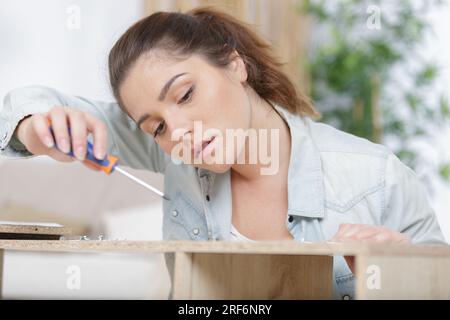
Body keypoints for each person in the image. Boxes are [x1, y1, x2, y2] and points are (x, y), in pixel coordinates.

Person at [0, 8, 446, 299]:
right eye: (156, 127)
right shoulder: (175, 156)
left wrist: (397, 279)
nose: (178, 133)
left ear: (235, 65)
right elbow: (33, 105)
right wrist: (35, 127)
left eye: (186, 94)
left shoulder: (378, 178)